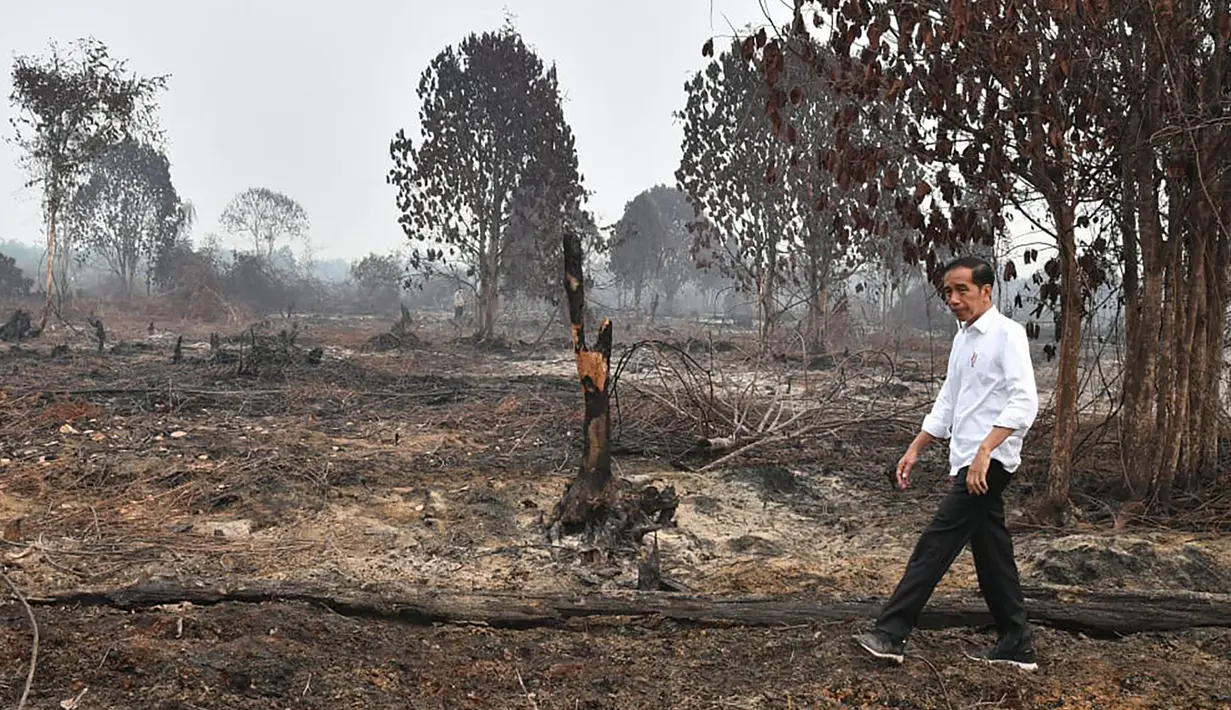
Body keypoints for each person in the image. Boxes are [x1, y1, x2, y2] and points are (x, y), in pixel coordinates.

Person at [853, 255, 1040, 671]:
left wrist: (986, 449)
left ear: (986, 290)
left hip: (987, 463)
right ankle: (1016, 641)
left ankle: (891, 633)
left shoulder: (1007, 335)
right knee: (992, 551)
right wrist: (916, 447)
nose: (953, 299)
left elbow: (1025, 400)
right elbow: (949, 402)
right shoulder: (962, 339)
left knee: (935, 544)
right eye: (948, 292)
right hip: (966, 460)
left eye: (962, 290)